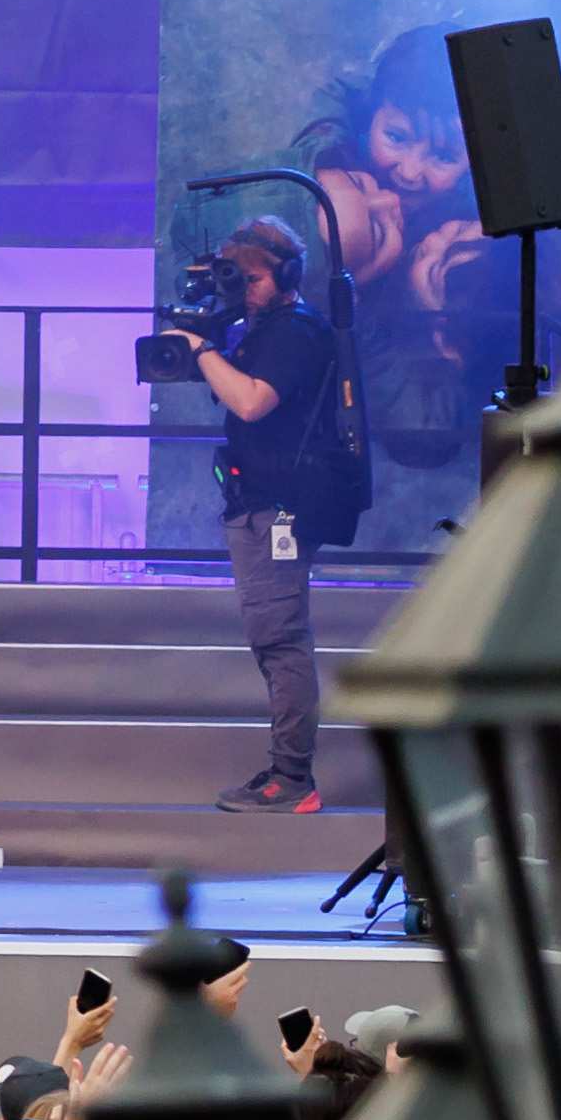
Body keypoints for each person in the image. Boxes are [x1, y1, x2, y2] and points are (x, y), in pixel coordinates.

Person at [177, 215, 352, 816]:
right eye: (232, 277)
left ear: (288, 276)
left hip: (281, 508)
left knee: (281, 642)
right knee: (275, 641)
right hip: (257, 504)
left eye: (249, 278)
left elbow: (251, 402)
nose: (239, 289)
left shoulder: (294, 333)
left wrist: (201, 349)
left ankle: (292, 779)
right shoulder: (261, 329)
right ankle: (287, 772)